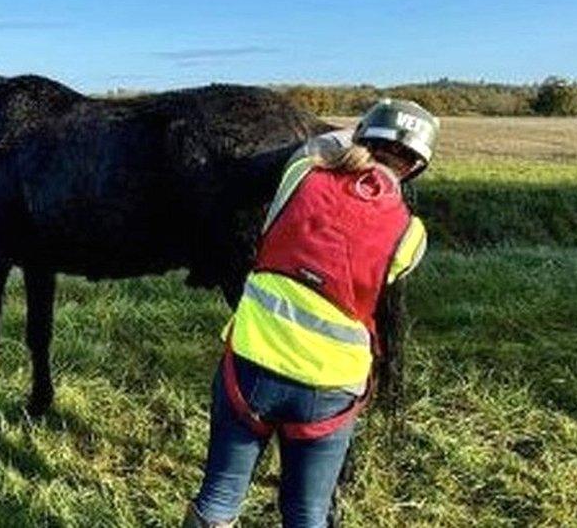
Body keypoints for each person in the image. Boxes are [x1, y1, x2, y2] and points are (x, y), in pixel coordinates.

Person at [185, 99, 439, 527]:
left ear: (361, 135)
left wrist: (358, 137)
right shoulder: (411, 236)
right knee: (307, 514)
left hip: (252, 368)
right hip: (331, 388)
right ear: (414, 168)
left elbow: (323, 143)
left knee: (219, 498)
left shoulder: (302, 175)